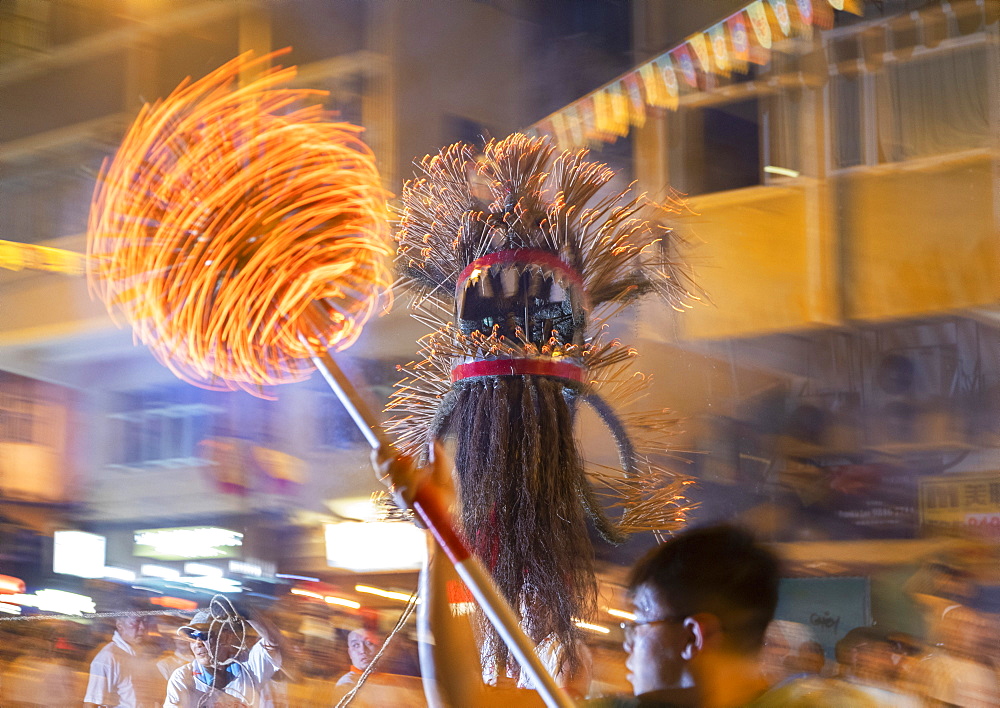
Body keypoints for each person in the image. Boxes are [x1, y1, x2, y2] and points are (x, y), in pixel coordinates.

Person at [163, 602, 283, 708]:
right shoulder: (183, 678)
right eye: (193, 637)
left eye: (204, 635)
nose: (198, 644)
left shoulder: (248, 667)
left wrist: (249, 613)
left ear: (227, 637)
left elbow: (274, 642)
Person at [84, 614, 163, 708]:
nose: (142, 627)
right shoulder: (108, 657)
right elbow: (92, 703)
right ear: (120, 625)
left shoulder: (143, 655)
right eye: (136, 621)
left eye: (144, 622)